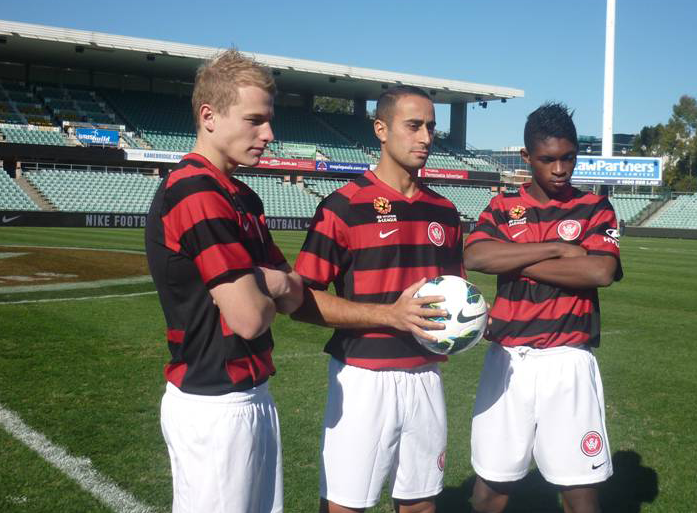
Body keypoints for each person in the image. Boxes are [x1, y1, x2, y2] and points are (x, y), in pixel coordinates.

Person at [145, 49, 304, 513]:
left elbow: (292, 294)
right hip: (214, 406)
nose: (269, 134)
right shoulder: (195, 190)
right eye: (255, 120)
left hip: (251, 396)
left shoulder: (242, 196)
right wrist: (268, 284)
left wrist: (263, 283)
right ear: (209, 116)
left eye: (269, 121)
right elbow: (252, 316)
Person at [293, 85, 464, 513]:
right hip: (362, 379)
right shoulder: (342, 207)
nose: (426, 137)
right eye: (414, 126)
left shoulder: (444, 212)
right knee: (346, 506)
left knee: (422, 504)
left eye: (431, 127)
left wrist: (471, 322)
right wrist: (390, 315)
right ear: (381, 130)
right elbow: (300, 300)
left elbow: (453, 293)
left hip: (426, 377)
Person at [464, 102, 623, 513]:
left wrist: (515, 256)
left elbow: (601, 270)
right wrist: (556, 249)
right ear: (526, 157)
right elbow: (478, 257)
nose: (559, 169)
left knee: (580, 493)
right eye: (547, 159)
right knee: (490, 491)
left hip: (567, 362)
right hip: (508, 361)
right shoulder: (501, 207)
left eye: (568, 158)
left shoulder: (594, 207)